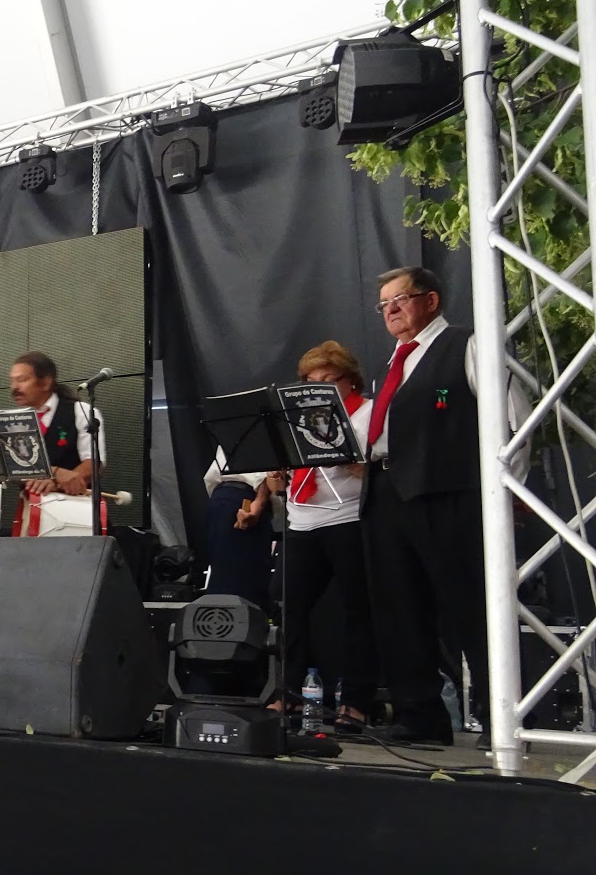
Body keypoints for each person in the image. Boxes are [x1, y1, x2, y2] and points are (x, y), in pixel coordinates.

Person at [361, 265, 526, 745]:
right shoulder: (391, 364)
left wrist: (506, 494)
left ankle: (500, 718)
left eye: (400, 299)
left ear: (430, 300)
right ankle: (420, 716)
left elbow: (517, 422)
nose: (390, 310)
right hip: (386, 491)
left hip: (449, 493)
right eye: (384, 304)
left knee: (470, 606)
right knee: (400, 608)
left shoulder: (466, 345)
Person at [258, 341, 375, 733]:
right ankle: (290, 692)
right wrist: (276, 480)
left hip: (348, 517)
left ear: (350, 380)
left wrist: (362, 466)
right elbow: (282, 479)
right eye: (311, 382)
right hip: (301, 520)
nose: (319, 389)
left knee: (357, 610)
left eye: (328, 381)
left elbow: (384, 467)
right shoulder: (297, 419)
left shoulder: (368, 413)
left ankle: (355, 702)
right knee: (287, 605)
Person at [7, 352, 105, 537]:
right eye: (12, 381)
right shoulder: (14, 420)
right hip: (32, 511)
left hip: (75, 513)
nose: (14, 387)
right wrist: (54, 472)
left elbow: (93, 464)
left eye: (22, 380)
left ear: (46, 382)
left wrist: (57, 481)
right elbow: (12, 468)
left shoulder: (81, 411)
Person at [201, 450, 273, 608]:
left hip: (223, 497)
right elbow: (264, 466)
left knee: (225, 579)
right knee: (241, 586)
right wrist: (260, 502)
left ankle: (221, 618)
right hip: (245, 498)